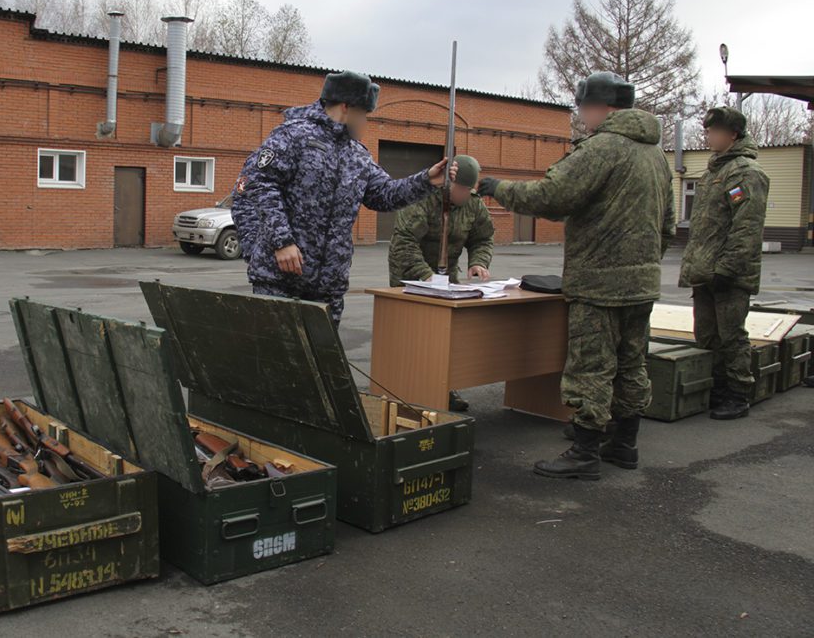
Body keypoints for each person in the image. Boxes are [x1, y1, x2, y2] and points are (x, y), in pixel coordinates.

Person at [477, 71, 675, 480]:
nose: (582, 117)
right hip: (641, 283)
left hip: (599, 284)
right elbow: (668, 225)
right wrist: (643, 265)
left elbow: (552, 196)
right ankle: (624, 443)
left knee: (591, 366)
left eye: (584, 108)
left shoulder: (603, 148)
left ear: (603, 108)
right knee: (631, 363)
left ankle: (585, 451)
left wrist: (496, 187)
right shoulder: (655, 156)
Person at [232, 70, 450, 324]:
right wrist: (280, 242)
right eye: (364, 115)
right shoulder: (293, 136)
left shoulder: (357, 154)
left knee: (323, 359)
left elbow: (384, 195)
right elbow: (258, 184)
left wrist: (426, 180)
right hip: (280, 279)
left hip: (328, 285)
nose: (366, 123)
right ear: (346, 107)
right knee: (277, 358)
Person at [679, 107, 770, 420]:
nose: (709, 136)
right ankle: (715, 388)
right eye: (707, 131)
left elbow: (747, 227)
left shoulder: (745, 173)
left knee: (731, 336)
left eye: (715, 131)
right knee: (706, 336)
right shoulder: (712, 172)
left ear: (733, 134)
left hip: (728, 273)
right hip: (705, 270)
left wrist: (727, 269)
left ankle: (737, 393)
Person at [387, 154, 493, 412]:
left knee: (446, 336)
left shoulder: (473, 206)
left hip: (448, 277)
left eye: (468, 190)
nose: (463, 194)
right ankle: (406, 388)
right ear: (447, 184)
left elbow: (482, 238)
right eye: (459, 189)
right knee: (413, 334)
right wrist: (427, 276)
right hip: (411, 274)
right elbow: (405, 242)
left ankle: (444, 388)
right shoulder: (423, 198)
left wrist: (479, 262)